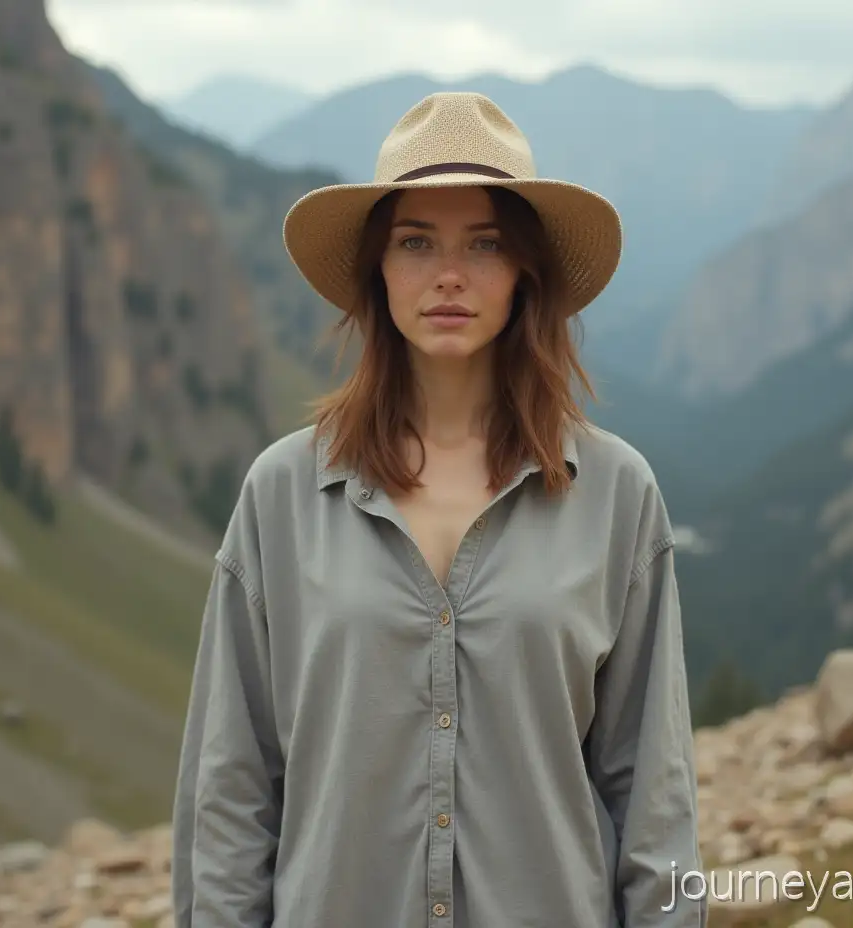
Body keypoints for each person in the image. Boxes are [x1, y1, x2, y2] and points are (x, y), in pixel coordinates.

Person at [171, 91, 706, 928]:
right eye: (415, 242)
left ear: (526, 271)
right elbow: (232, 787)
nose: (448, 275)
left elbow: (653, 793)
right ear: (377, 271)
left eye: (484, 244)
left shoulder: (616, 494)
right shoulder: (280, 494)